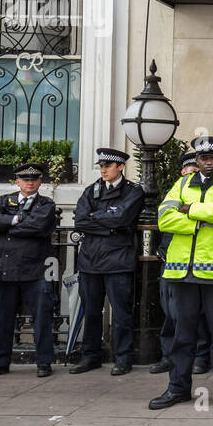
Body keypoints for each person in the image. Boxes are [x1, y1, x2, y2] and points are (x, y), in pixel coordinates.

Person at [150, 135, 213, 414]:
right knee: (182, 336)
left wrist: (189, 209)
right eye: (203, 158)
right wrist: (197, 224)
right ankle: (177, 388)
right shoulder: (182, 183)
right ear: (197, 160)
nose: (208, 163)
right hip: (181, 272)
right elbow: (164, 216)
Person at [0, 162, 58, 379]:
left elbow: (38, 226)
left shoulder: (46, 205)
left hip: (35, 270)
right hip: (5, 270)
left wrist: (6, 226)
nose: (29, 182)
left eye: (34, 179)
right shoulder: (4, 201)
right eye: (25, 179)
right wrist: (14, 219)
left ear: (40, 182)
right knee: (3, 319)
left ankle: (44, 362)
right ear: (17, 182)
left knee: (41, 319)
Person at [70, 147, 145, 375]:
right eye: (101, 166)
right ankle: (90, 355)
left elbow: (123, 218)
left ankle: (123, 357)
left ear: (120, 167)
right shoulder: (91, 191)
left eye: (108, 166)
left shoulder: (133, 191)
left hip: (118, 259)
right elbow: (81, 221)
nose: (103, 170)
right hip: (91, 259)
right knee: (91, 310)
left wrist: (98, 219)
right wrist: (109, 226)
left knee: (121, 312)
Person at [153, 151, 199, 375]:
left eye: (198, 170)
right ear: (183, 171)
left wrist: (188, 214)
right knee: (170, 313)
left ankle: (199, 356)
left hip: (198, 263)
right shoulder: (176, 191)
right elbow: (165, 219)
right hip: (171, 262)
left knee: (193, 315)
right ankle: (168, 356)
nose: (195, 173)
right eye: (191, 170)